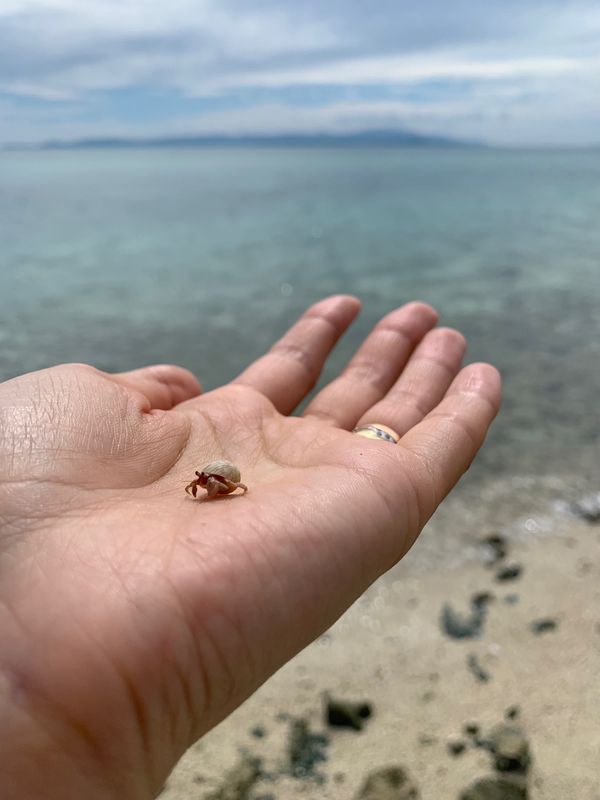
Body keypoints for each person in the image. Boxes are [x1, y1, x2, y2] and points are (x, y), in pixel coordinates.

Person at [0, 296, 500, 799]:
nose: (202, 483)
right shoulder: (204, 482)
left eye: (206, 480)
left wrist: (43, 713)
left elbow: (234, 489)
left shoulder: (225, 484)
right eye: (203, 480)